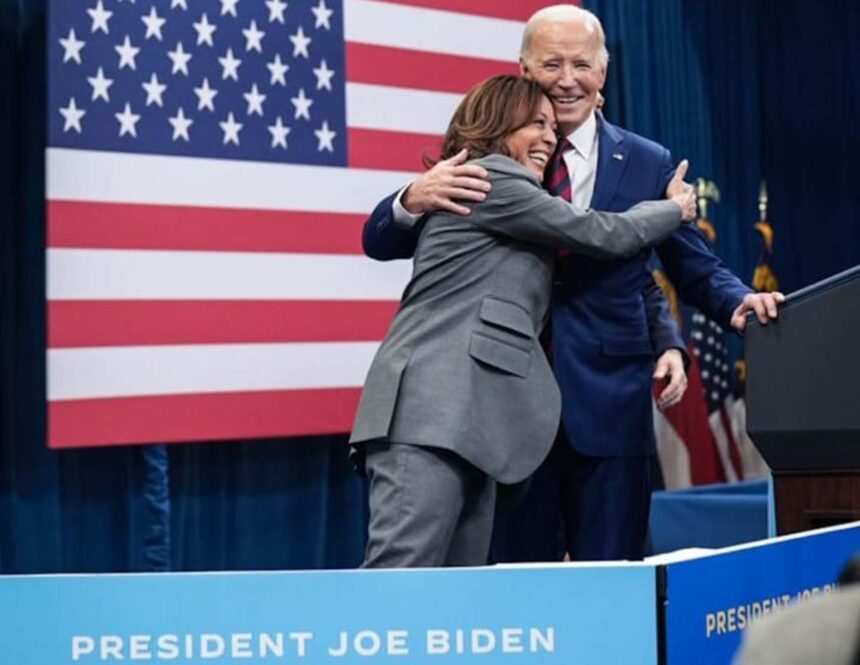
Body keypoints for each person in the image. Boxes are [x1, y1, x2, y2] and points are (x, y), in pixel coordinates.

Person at [361, 5, 785, 562]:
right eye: (551, 63)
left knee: (611, 585)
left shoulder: (643, 160)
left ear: (602, 74)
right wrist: (409, 199)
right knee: (512, 591)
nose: (566, 79)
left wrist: (732, 303)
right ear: (523, 68)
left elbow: (681, 268)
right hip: (497, 406)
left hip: (606, 404)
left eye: (580, 64)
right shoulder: (483, 162)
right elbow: (382, 240)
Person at [350, 74, 697, 568]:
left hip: (473, 424)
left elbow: (627, 278)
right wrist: (674, 208)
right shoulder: (491, 179)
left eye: (553, 128)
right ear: (497, 124)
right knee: (400, 576)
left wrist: (664, 337)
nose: (550, 138)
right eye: (536, 124)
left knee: (457, 588)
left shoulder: (505, 193)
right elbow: (602, 232)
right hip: (431, 414)